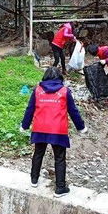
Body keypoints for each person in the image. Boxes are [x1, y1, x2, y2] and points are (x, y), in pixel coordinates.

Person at [21, 67, 87, 197]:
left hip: (40, 128)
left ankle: (34, 180)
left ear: (45, 77)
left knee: (38, 153)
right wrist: (81, 127)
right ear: (59, 78)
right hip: (58, 130)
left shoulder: (38, 91)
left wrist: (24, 125)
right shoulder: (64, 91)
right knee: (59, 158)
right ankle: (60, 188)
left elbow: (30, 109)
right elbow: (73, 111)